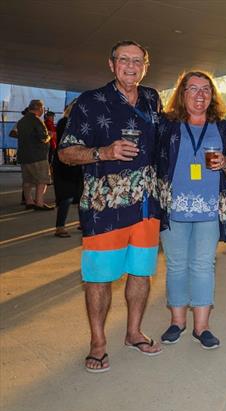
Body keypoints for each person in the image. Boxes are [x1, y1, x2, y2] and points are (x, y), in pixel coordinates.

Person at [59, 40, 164, 373]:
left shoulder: (151, 98)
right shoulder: (90, 102)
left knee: (141, 273)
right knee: (99, 278)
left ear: (145, 65)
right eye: (124, 60)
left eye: (137, 61)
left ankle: (133, 333)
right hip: (106, 206)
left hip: (147, 206)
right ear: (111, 64)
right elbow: (65, 152)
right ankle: (98, 343)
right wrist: (102, 152)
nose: (130, 66)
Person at [156, 70, 226, 349]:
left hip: (209, 210)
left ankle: (201, 327)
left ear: (212, 96)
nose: (200, 94)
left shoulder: (224, 128)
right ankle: (177, 322)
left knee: (203, 266)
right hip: (174, 209)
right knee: (176, 266)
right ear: (182, 94)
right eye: (193, 89)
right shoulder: (168, 127)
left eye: (206, 89)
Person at [52, 100, 83, 238]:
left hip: (79, 163)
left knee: (82, 195)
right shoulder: (65, 122)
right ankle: (60, 227)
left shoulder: (81, 123)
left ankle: (84, 223)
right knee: (66, 197)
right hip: (66, 164)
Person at [17, 99, 54, 210]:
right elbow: (43, 138)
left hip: (24, 156)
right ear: (38, 108)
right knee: (42, 180)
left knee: (27, 181)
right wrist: (50, 136)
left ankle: (29, 201)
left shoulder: (21, 121)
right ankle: (39, 203)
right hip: (38, 156)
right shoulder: (37, 121)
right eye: (42, 108)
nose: (43, 110)